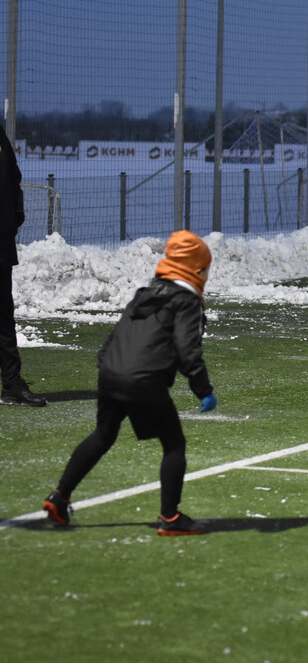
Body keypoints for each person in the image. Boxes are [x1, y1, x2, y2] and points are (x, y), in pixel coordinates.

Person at [42, 230, 218, 535]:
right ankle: (170, 518)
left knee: (104, 433)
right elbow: (188, 350)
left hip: (111, 372)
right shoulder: (186, 301)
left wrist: (111, 371)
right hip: (144, 379)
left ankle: (59, 497)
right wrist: (203, 390)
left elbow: (113, 339)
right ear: (197, 269)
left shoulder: (146, 293)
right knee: (174, 444)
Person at [0, 123, 47, 407]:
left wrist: (16, 216)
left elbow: (14, 178)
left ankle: (12, 385)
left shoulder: (2, 140)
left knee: (4, 316)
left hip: (1, 243)